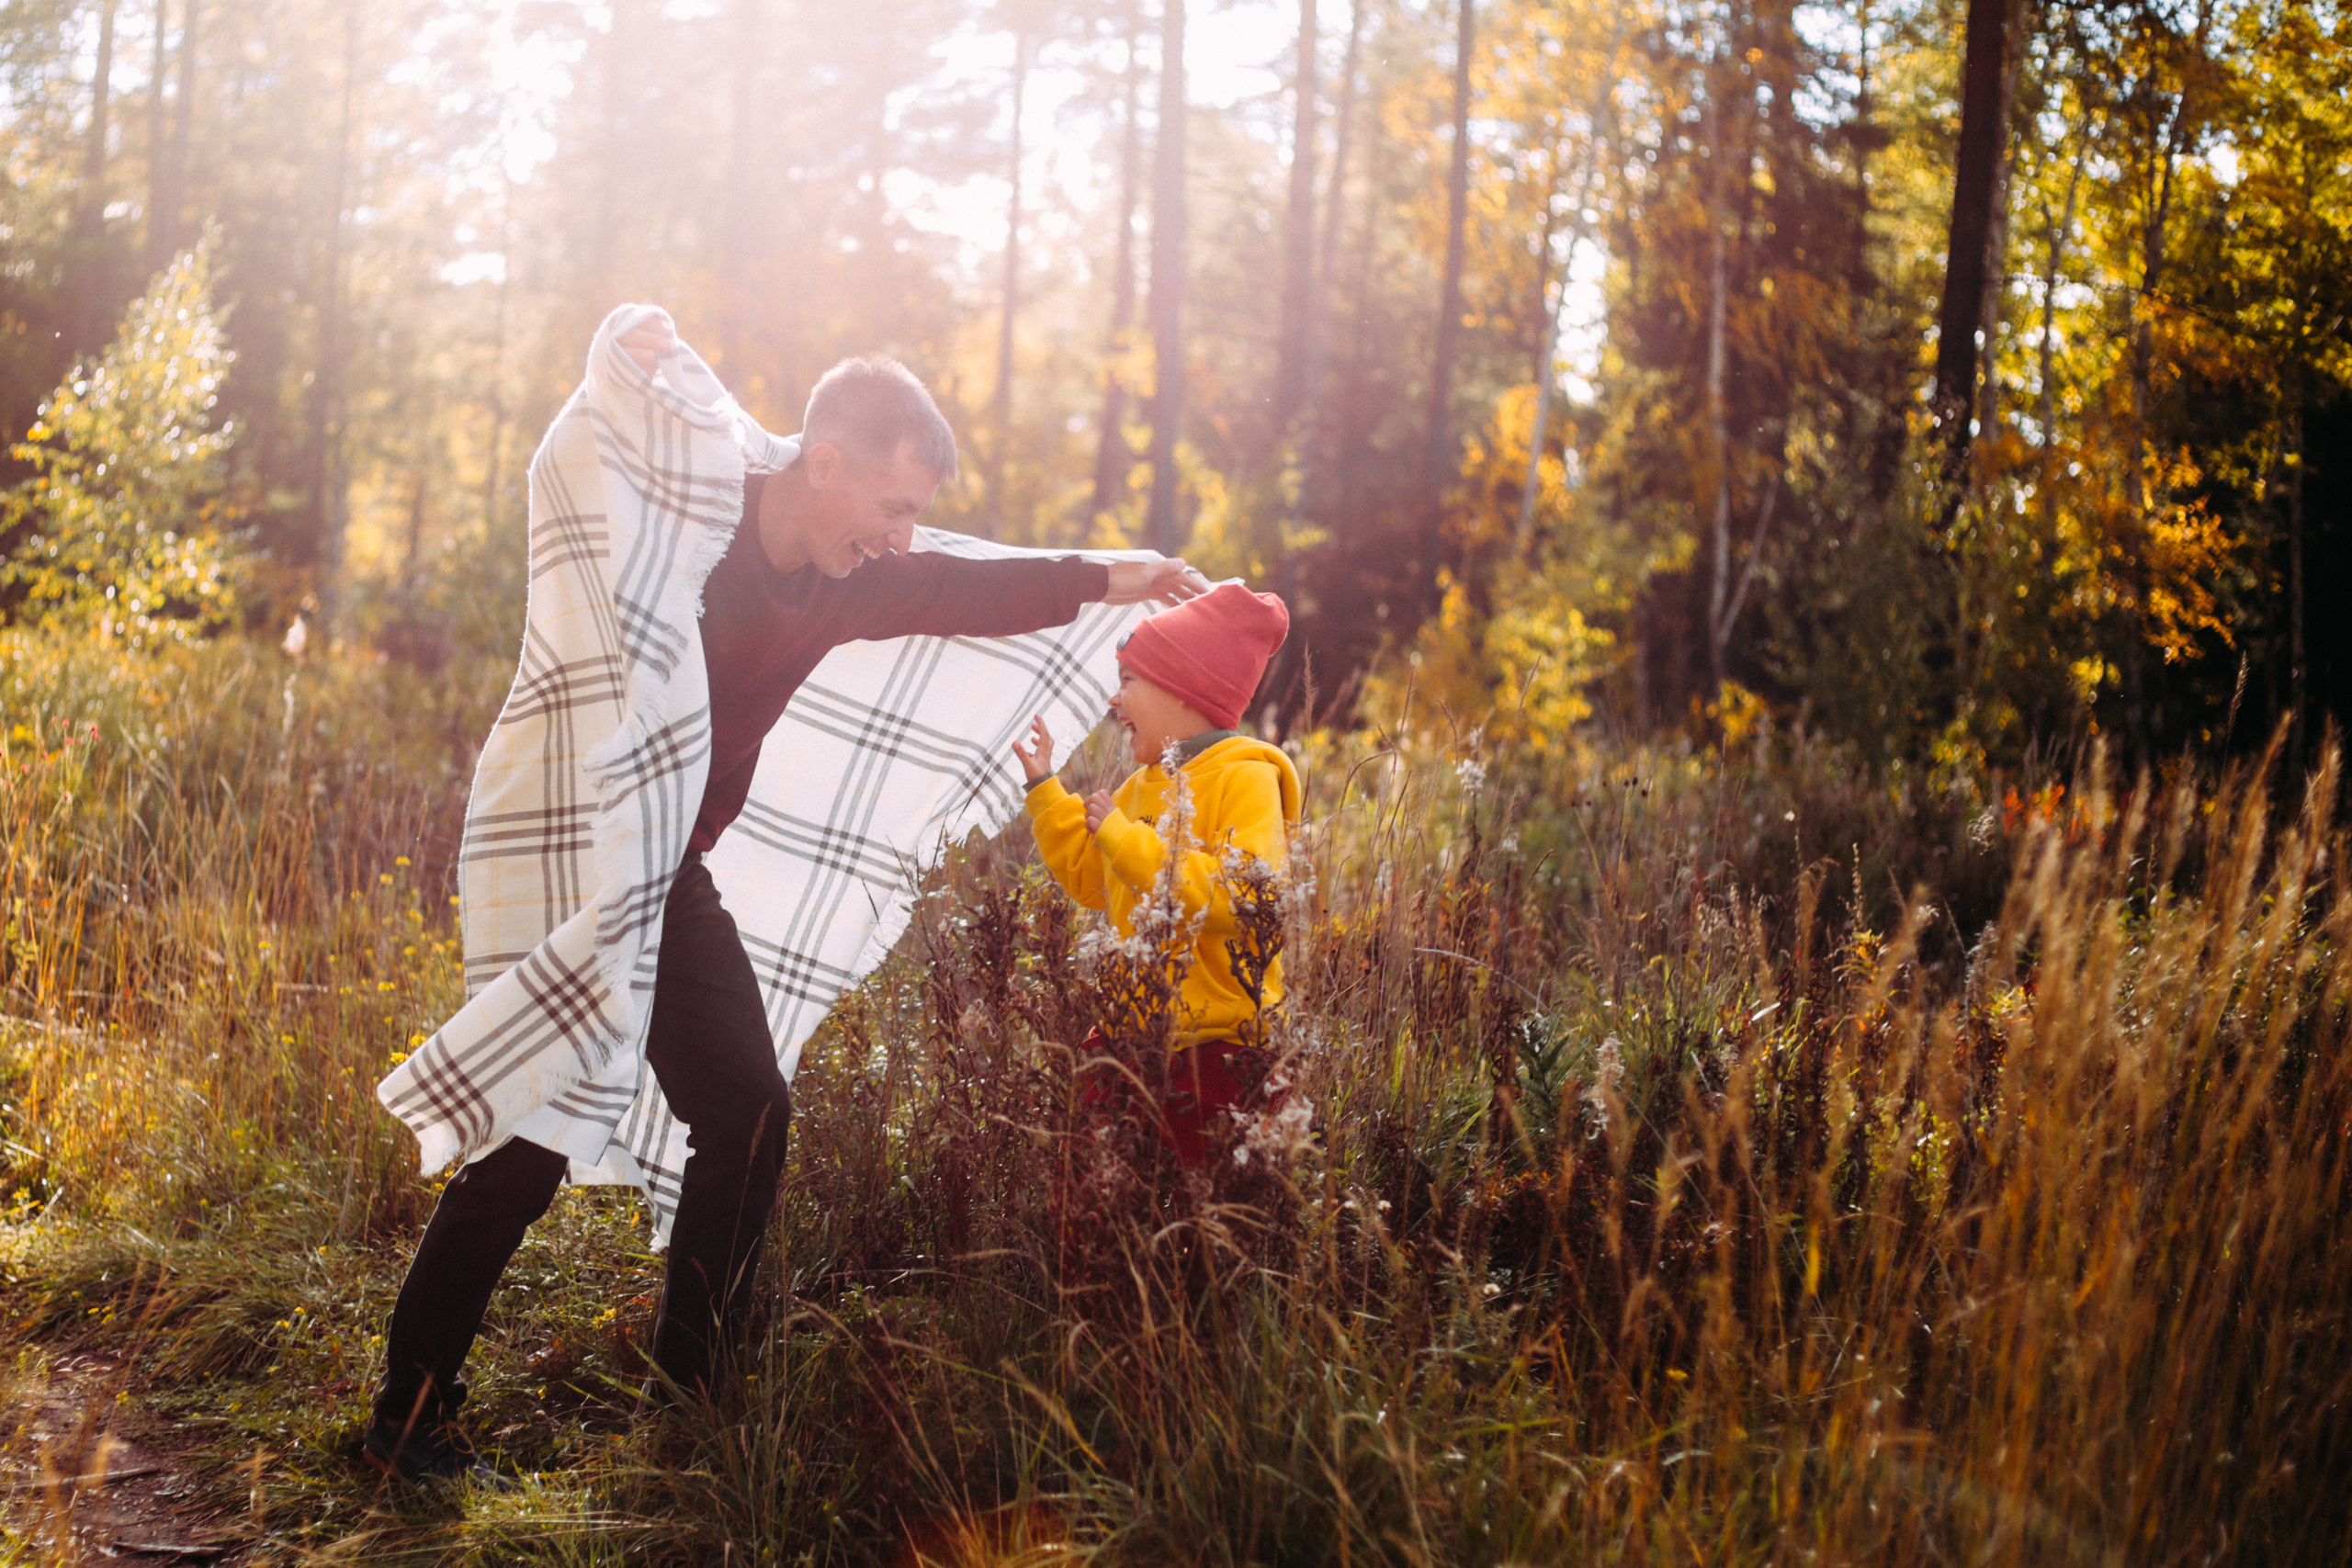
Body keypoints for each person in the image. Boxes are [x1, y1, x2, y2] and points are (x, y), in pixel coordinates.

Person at [365, 313, 1204, 1483]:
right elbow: (602, 430)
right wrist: (632, 343)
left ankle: (686, 1400)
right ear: (823, 463)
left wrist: (1136, 574)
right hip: (588, 857)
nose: (899, 536)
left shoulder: (850, 585)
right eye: (890, 506)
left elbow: (980, 588)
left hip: (673, 872)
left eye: (913, 514)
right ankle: (408, 1419)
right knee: (535, 1130)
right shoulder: (695, 520)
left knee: (750, 1114)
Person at [1012, 582, 1301, 1166]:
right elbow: (1093, 877)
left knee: (1214, 1218)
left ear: (1183, 690)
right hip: (1127, 1036)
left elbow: (1243, 898)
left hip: (1220, 1052)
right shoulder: (1141, 785)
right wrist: (1046, 790)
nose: (1115, 703)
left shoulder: (1245, 781)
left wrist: (1125, 836)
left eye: (1128, 683)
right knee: (1093, 1203)